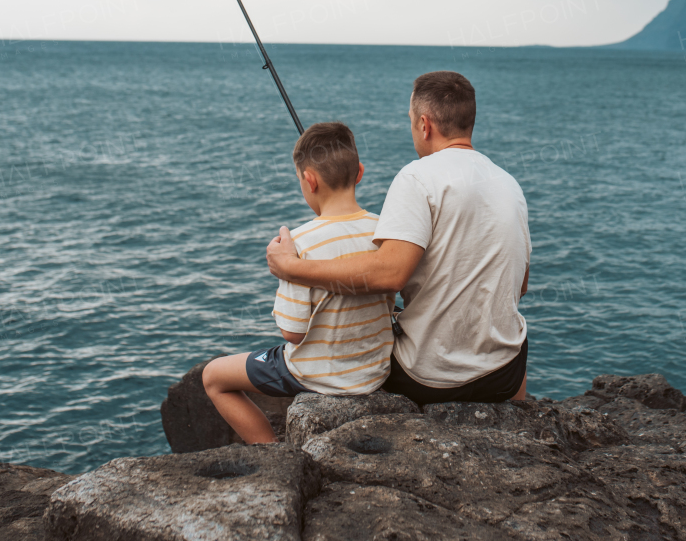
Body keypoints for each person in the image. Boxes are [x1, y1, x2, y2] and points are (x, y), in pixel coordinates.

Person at [267, 71, 530, 404]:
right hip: (505, 375)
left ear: (424, 124)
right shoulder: (510, 185)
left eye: (410, 121)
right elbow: (518, 285)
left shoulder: (417, 176)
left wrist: (291, 268)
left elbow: (389, 275)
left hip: (432, 378)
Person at [202, 122, 393, 443]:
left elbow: (292, 332)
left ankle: (272, 453)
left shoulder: (299, 243)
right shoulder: (384, 230)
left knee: (213, 376)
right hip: (374, 370)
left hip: (316, 375)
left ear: (309, 180)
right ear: (359, 173)